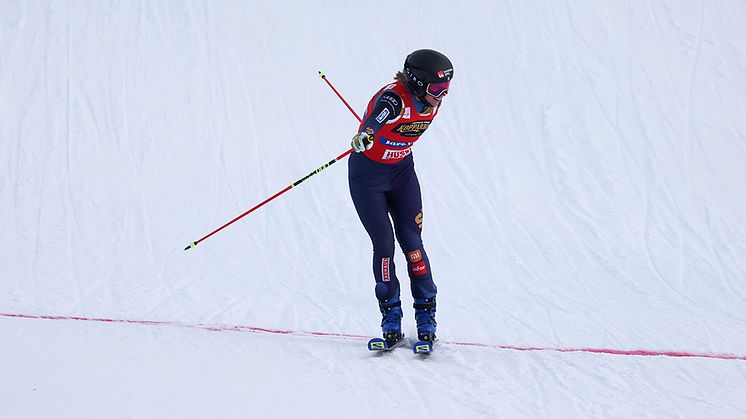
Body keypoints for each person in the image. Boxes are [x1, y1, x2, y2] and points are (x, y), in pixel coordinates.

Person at [348, 49, 453, 346]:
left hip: (401, 174)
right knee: (383, 245)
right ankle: (391, 314)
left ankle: (425, 314)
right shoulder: (395, 100)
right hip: (368, 176)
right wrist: (366, 133)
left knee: (413, 244)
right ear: (418, 83)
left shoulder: (430, 101)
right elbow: (380, 115)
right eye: (437, 89)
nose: (442, 96)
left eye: (446, 89)